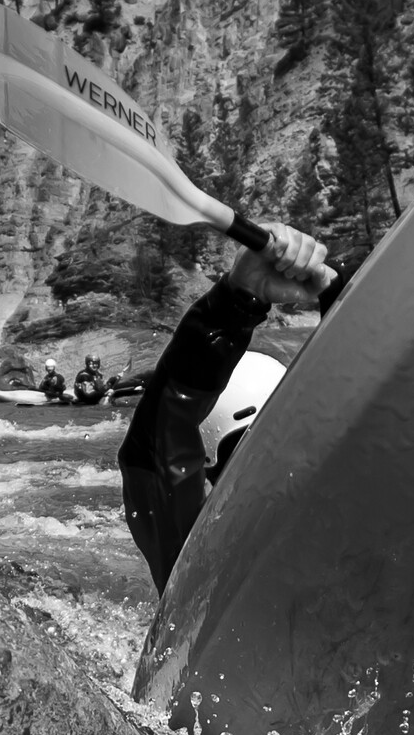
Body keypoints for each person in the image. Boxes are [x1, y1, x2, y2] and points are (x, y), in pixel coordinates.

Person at [121, 224, 336, 588]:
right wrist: (239, 299)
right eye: (247, 449)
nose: (277, 460)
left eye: (285, 436)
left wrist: (339, 300)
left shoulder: (333, 505)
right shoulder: (193, 548)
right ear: (208, 465)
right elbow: (159, 441)